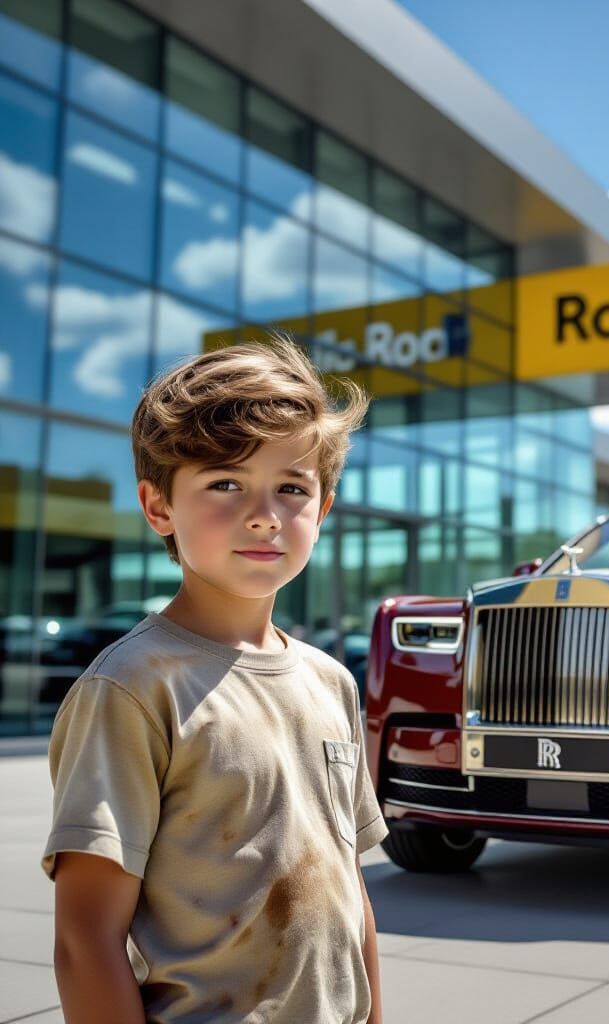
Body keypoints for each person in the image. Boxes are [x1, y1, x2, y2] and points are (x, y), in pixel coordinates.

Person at [42, 337, 386, 1023]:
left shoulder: (331, 683)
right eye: (225, 483)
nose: (264, 513)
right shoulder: (133, 688)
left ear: (321, 511)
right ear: (158, 507)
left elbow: (350, 897)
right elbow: (86, 941)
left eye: (292, 487)